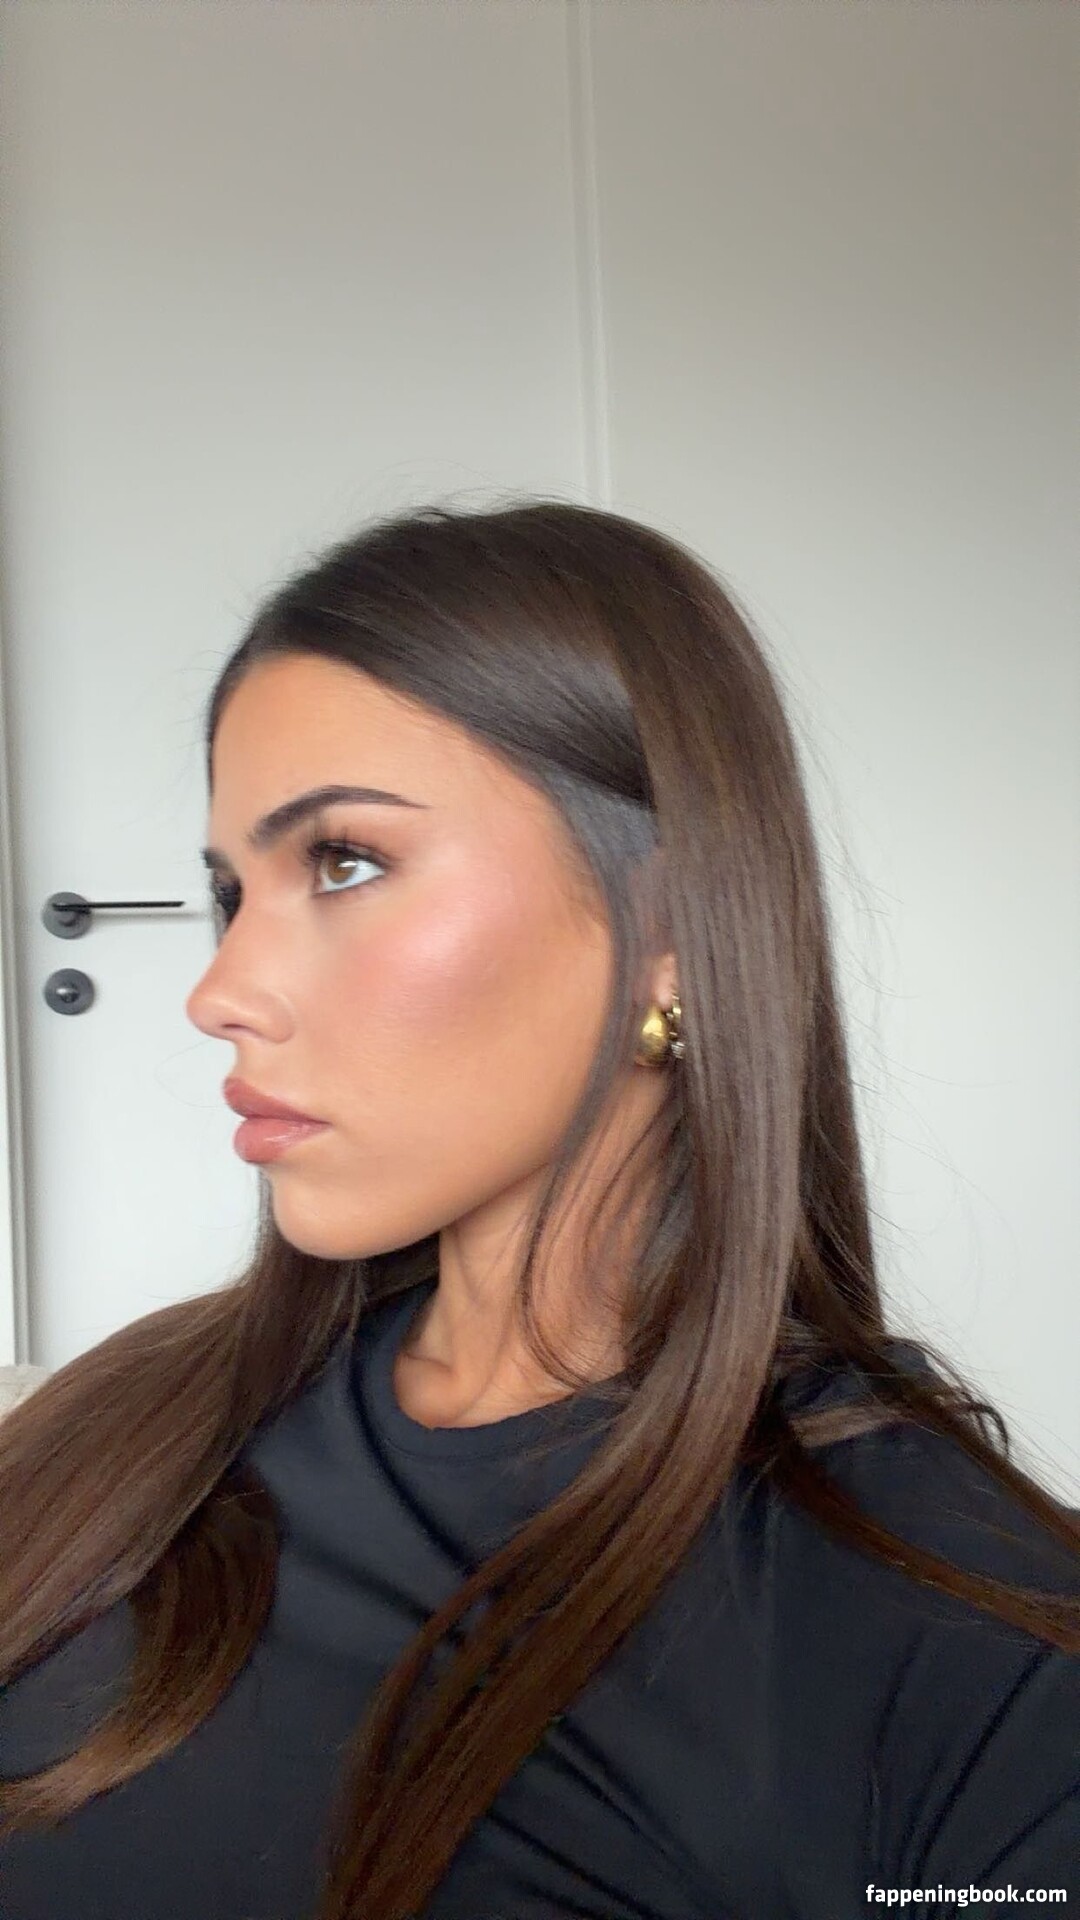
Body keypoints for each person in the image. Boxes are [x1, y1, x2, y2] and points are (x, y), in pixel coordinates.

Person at [0, 499, 1076, 1920]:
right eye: (229, 892)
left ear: (669, 932)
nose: (219, 992)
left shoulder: (957, 1640)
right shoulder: (132, 1418)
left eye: (344, 861)